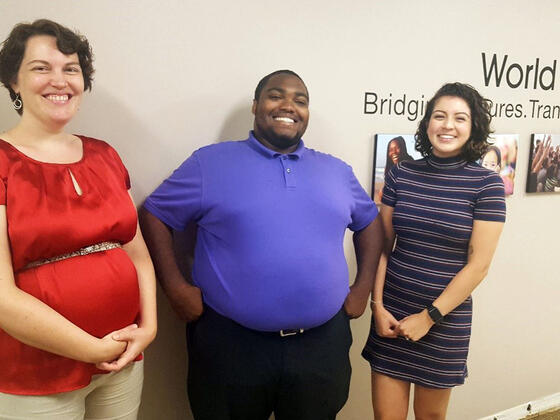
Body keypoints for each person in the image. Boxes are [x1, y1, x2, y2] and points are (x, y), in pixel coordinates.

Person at [139, 69, 383, 420]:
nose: (289, 106)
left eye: (301, 100)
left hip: (320, 346)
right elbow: (155, 214)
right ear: (256, 106)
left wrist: (362, 289)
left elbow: (369, 223)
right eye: (276, 95)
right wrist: (175, 287)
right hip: (231, 345)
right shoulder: (210, 163)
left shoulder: (336, 171)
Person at [0, 19, 157, 419]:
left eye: (71, 68)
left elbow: (137, 253)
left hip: (123, 360)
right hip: (35, 373)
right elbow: (2, 297)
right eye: (41, 68)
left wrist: (148, 329)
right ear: (13, 82)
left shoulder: (104, 154)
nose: (60, 80)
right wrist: (93, 348)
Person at [362, 82, 506, 419]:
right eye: (439, 116)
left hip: (444, 322)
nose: (447, 125)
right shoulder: (401, 173)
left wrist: (429, 318)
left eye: (460, 118)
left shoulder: (487, 184)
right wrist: (377, 306)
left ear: (473, 128)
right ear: (427, 123)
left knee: (430, 418)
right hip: (392, 315)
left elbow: (478, 266)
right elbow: (384, 246)